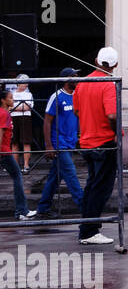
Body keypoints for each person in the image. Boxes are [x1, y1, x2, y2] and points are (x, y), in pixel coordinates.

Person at [73, 47, 119, 244]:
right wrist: (116, 132)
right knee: (101, 188)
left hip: (87, 141)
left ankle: (86, 227)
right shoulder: (107, 83)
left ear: (95, 61)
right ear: (115, 65)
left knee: (92, 185)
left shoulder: (82, 83)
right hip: (105, 142)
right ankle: (89, 231)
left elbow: (76, 111)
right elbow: (112, 114)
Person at [31, 70, 83, 220]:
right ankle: (85, 207)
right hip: (59, 144)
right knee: (71, 175)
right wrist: (48, 145)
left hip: (70, 142)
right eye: (74, 76)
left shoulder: (76, 96)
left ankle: (43, 208)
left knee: (55, 177)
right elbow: (47, 121)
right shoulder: (56, 97)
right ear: (67, 80)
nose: (78, 79)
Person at [0, 89, 27, 221]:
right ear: (3, 100)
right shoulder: (4, 113)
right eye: (10, 98)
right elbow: (0, 132)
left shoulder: (4, 113)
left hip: (4, 150)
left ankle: (22, 210)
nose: (13, 100)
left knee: (17, 176)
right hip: (3, 151)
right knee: (17, 176)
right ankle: (21, 211)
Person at [10, 74, 34, 174]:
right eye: (23, 82)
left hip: (25, 118)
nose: (25, 84)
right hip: (13, 118)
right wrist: (19, 107)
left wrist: (14, 108)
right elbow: (8, 107)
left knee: (26, 141)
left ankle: (26, 165)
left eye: (26, 82)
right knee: (14, 142)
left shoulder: (29, 94)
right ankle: (15, 166)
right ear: (18, 83)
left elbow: (28, 107)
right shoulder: (11, 94)